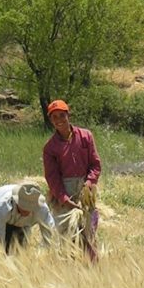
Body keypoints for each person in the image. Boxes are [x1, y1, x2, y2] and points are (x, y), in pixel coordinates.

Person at [42, 99, 102, 262]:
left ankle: (91, 262)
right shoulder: (50, 148)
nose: (59, 120)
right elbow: (52, 177)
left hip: (85, 190)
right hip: (64, 190)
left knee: (89, 228)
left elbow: (95, 164)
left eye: (62, 115)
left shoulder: (85, 136)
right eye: (54, 117)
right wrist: (64, 199)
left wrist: (89, 184)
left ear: (68, 115)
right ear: (51, 121)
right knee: (69, 232)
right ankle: (75, 264)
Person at [0, 183, 56, 254]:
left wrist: (45, 253)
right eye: (24, 207)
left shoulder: (42, 209)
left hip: (21, 225)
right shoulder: (3, 208)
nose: (26, 210)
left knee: (17, 254)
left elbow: (50, 234)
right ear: (17, 202)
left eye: (30, 207)